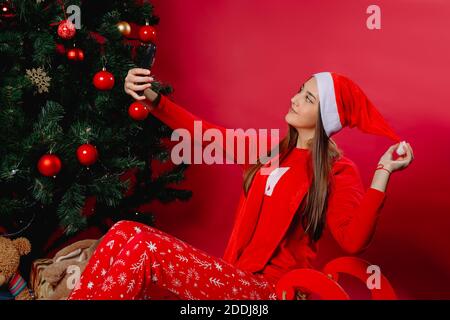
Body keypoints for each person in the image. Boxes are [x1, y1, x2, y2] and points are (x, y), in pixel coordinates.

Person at [68, 70, 414, 300]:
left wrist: (382, 173)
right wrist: (153, 99)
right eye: (300, 90)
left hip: (273, 292)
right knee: (124, 230)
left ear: (326, 117)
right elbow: (204, 132)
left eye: (308, 98)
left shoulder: (337, 170)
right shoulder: (272, 152)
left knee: (145, 247)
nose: (295, 99)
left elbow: (353, 240)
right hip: (235, 277)